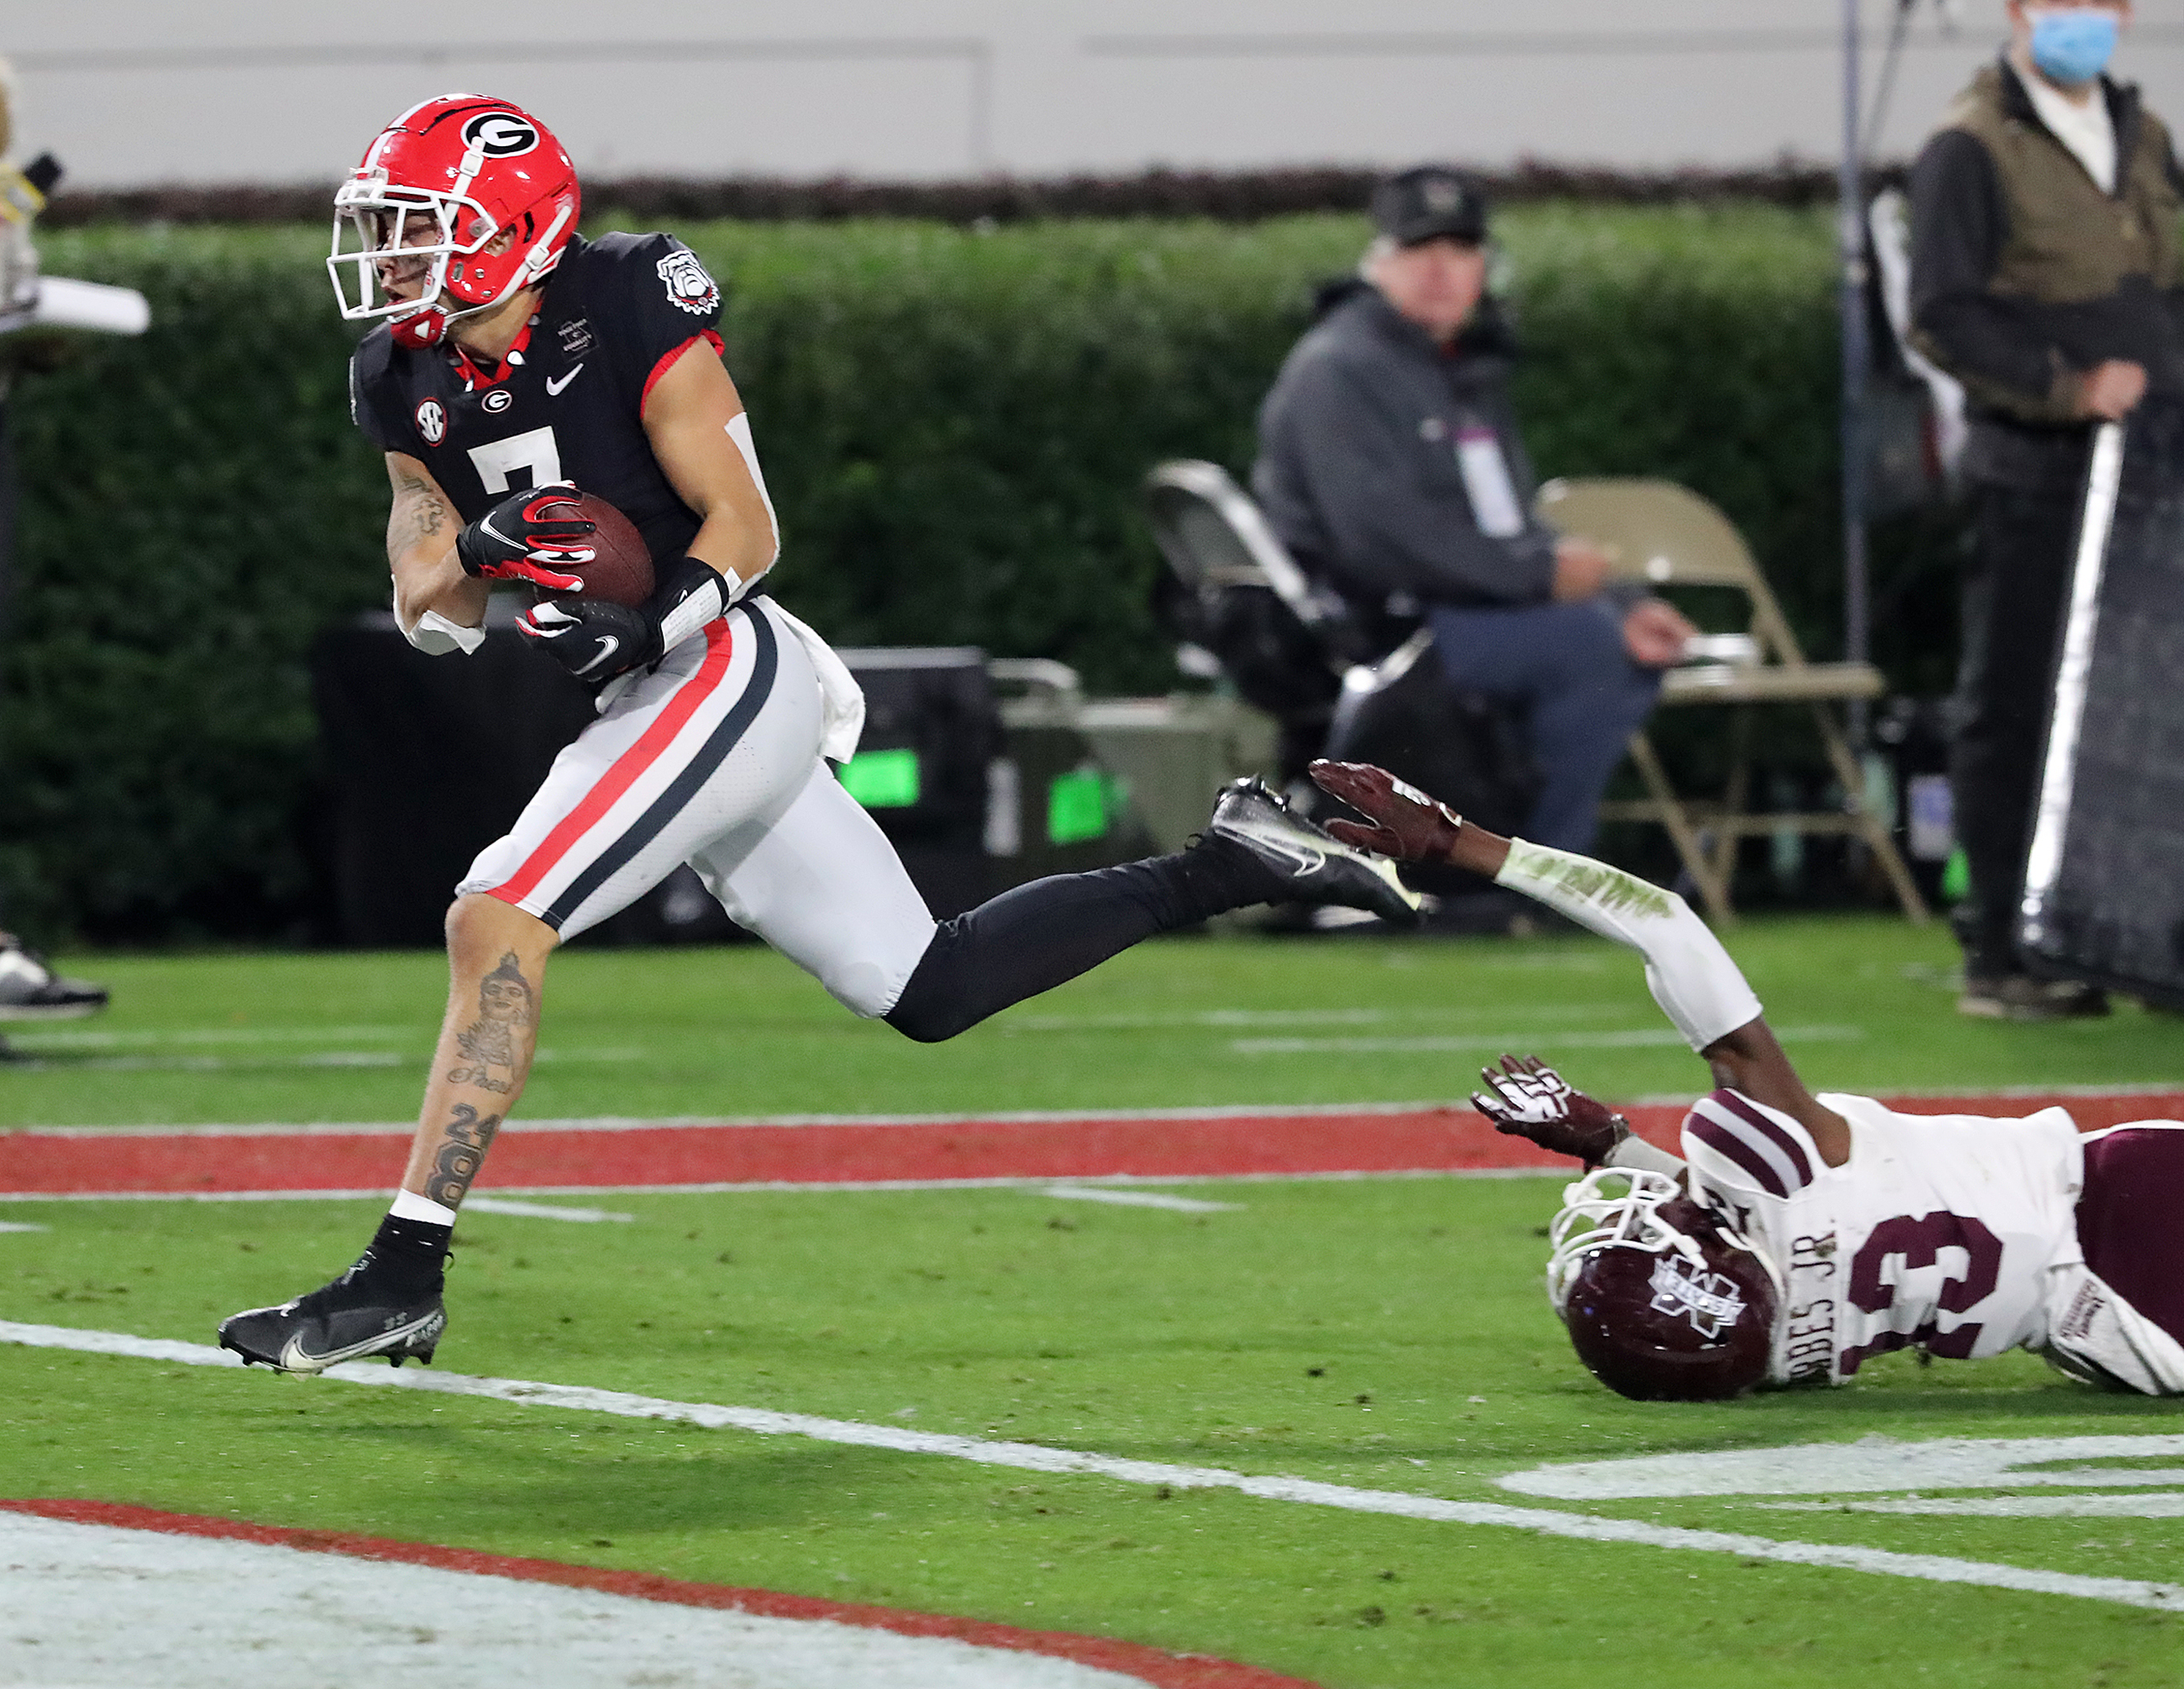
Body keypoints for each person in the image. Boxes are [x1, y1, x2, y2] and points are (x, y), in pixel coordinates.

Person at [218, 94, 1419, 1375]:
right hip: (647, 695)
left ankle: (400, 1272)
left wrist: (650, 620)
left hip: (723, 658)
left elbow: (744, 521)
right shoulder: (399, 373)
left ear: (513, 226)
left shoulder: (622, 297)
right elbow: (422, 575)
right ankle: (1234, 858)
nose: (392, 254)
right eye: (387, 228)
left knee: (497, 912)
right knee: (929, 986)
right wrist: (476, 552)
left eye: (419, 225)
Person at [1310, 758, 2184, 1399]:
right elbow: (1664, 923)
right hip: (2124, 1203)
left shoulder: (1768, 1352)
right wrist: (1465, 845)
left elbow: (1762, 1240)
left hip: (2121, 1339)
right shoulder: (1764, 1163)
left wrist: (1609, 1145)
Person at [1252, 165, 1695, 857]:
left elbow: (1506, 520)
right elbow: (1380, 539)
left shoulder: (1453, 369)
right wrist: (1542, 579)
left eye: (1461, 252)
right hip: (1380, 625)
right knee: (1590, 650)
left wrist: (1620, 596)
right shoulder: (1342, 366)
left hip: (1449, 613)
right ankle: (1545, 868)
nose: (1442, 271)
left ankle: (1523, 856)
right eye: (1421, 252)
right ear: (1379, 262)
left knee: (1616, 632)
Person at [1908, 0, 2180, 1020]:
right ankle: (2004, 948)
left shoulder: (2141, 132)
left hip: (2151, 466)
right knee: (2015, 699)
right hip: (2034, 465)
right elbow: (1939, 312)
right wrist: (2064, 385)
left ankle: (2140, 939)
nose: (2086, 19)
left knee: (2149, 707)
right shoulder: (1966, 146)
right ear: (2017, 12)